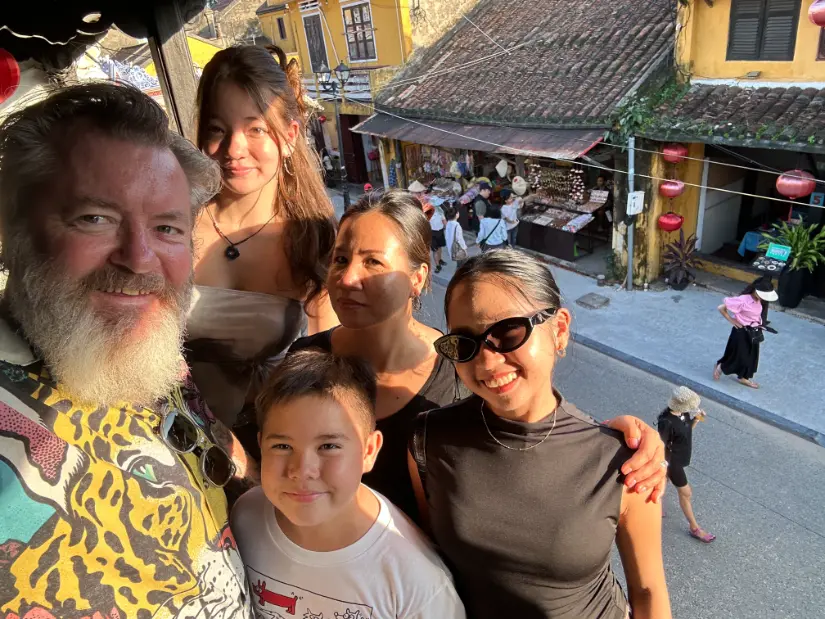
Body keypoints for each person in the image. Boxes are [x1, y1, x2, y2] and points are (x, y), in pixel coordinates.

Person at [0, 83, 252, 617]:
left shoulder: (151, 353)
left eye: (166, 228)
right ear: (12, 230)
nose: (140, 260)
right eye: (95, 218)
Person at [290, 191, 668, 526]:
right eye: (340, 259)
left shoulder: (459, 364)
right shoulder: (305, 360)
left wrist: (624, 439)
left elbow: (532, 423)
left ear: (418, 278)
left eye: (373, 262)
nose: (348, 277)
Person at [411, 249, 671, 619]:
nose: (487, 362)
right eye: (464, 343)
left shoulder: (624, 459)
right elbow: (430, 564)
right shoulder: (430, 440)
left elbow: (647, 590)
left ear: (560, 329)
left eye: (507, 331)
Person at [232, 349, 466, 618]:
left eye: (328, 446)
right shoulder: (245, 516)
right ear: (261, 444)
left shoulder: (417, 584)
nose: (302, 471)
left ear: (369, 451)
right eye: (282, 445)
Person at [188, 45, 338, 455]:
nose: (234, 149)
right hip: (178, 435)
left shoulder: (313, 238)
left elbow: (328, 366)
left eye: (255, 129)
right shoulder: (174, 225)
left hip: (273, 445)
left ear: (289, 136)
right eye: (218, 128)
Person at [657, 387, 714, 543]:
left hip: (681, 456)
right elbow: (661, 445)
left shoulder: (683, 414)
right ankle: (694, 528)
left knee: (663, 481)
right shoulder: (666, 422)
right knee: (686, 493)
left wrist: (697, 419)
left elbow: (687, 431)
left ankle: (655, 504)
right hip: (672, 460)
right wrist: (663, 464)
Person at [713, 277, 778, 389]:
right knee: (740, 355)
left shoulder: (759, 300)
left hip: (753, 331)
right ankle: (722, 367)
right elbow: (721, 308)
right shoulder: (743, 300)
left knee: (751, 357)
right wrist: (732, 320)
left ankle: (743, 377)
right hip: (741, 331)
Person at [430, 202, 448, 273]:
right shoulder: (427, 211)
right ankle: (437, 266)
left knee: (440, 247)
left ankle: (440, 260)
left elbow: (444, 220)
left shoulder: (440, 209)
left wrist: (448, 229)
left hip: (440, 231)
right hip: (432, 233)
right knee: (435, 250)